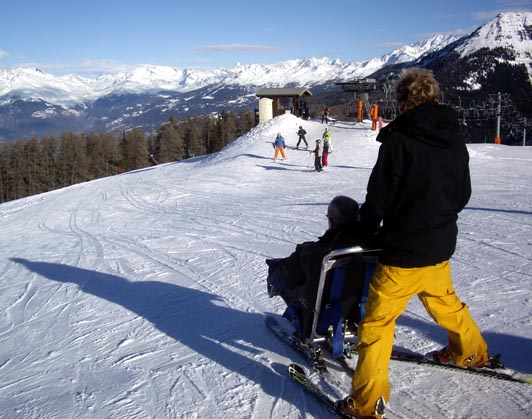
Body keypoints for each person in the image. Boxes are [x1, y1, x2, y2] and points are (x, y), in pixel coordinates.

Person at [340, 68, 489, 419]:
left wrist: (366, 227)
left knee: (377, 324)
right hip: (439, 245)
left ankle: (366, 403)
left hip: (403, 252)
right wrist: (438, 219)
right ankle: (470, 352)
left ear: (403, 100)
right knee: (445, 303)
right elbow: (463, 192)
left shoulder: (399, 138)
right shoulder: (453, 135)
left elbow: (379, 195)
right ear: (434, 95)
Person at [266, 195, 366, 302]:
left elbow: (288, 276)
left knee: (286, 277)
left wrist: (273, 273)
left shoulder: (319, 252)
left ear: (331, 221)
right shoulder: (369, 247)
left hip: (322, 304)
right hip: (361, 299)